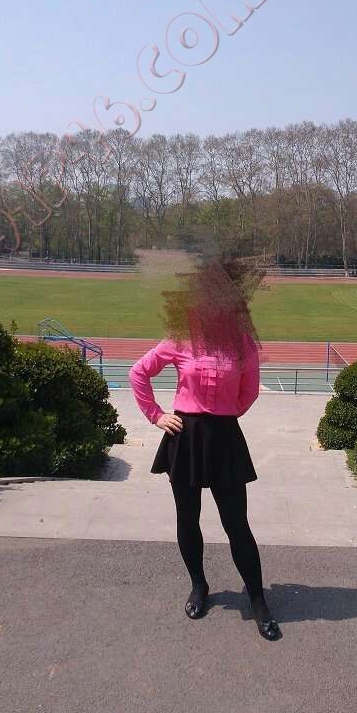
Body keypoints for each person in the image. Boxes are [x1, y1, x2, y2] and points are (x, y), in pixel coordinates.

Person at [128, 256, 281, 642]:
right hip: (186, 438)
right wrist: (157, 415)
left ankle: (258, 600)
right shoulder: (180, 337)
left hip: (225, 439)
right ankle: (199, 585)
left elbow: (248, 394)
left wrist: (222, 417)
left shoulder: (243, 343)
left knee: (237, 525)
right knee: (187, 518)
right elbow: (139, 372)